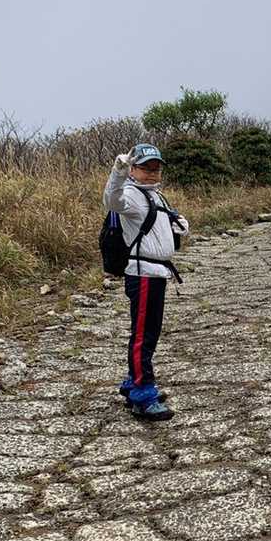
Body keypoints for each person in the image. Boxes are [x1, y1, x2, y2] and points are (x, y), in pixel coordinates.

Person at [103, 143, 188, 421]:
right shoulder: (129, 193)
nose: (152, 172)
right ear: (133, 169)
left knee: (148, 334)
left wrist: (176, 223)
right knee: (143, 336)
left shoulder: (154, 195)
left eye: (156, 167)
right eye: (146, 167)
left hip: (157, 274)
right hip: (142, 275)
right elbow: (111, 201)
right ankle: (143, 394)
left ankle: (134, 383)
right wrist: (117, 170)